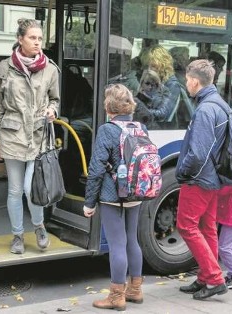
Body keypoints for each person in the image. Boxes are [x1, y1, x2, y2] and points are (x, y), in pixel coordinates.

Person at [0, 18, 60, 254]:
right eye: (32, 38)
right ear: (20, 39)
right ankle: (17, 235)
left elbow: (55, 99)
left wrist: (52, 110)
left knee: (32, 189)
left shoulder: (50, 69)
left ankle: (39, 227)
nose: (37, 42)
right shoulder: (4, 67)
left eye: (40, 38)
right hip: (12, 136)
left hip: (38, 137)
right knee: (14, 190)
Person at [176, 59, 232, 300]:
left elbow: (198, 153)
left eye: (187, 80)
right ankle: (205, 276)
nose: (186, 84)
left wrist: (183, 172)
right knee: (206, 227)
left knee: (186, 226)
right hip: (214, 178)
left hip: (199, 179)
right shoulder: (218, 103)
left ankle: (213, 278)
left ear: (194, 81)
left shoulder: (204, 109)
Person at [83, 84, 144, 311]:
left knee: (117, 244)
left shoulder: (107, 129)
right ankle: (135, 290)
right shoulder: (139, 127)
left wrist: (89, 203)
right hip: (136, 193)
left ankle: (116, 296)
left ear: (109, 107)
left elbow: (97, 167)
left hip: (112, 194)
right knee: (132, 240)